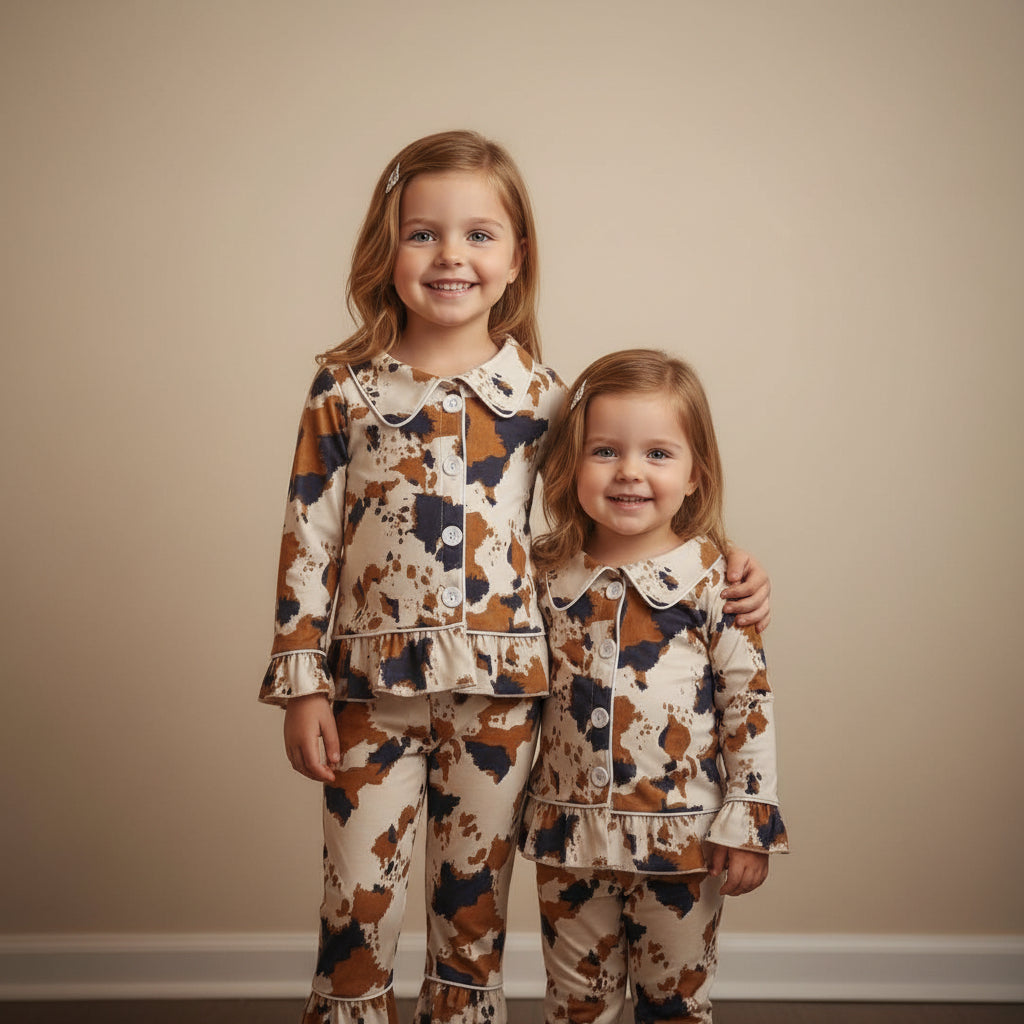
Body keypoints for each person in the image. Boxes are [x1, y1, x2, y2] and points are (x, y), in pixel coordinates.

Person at [259, 131, 773, 1024]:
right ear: (389, 249)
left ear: (516, 257)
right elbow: (309, 539)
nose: (451, 256)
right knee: (357, 910)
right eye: (424, 234)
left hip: (502, 704)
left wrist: (725, 561)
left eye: (478, 236)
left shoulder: (544, 398)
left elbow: (613, 522)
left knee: (474, 917)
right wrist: (302, 684)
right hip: (365, 695)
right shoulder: (343, 390)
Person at [518, 349, 789, 1023]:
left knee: (676, 1007)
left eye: (659, 455)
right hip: (569, 838)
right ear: (571, 464)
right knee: (577, 1007)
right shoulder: (543, 575)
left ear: (697, 474)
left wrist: (749, 822)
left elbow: (747, 704)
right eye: (604, 451)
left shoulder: (714, 582)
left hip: (683, 844)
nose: (630, 472)